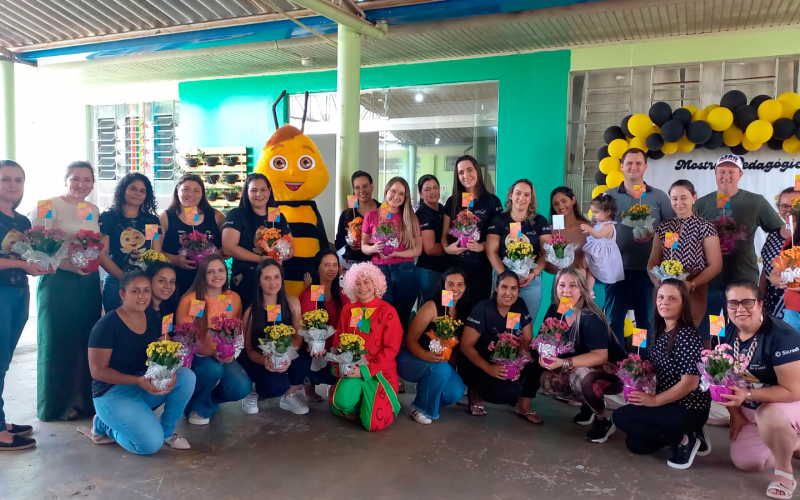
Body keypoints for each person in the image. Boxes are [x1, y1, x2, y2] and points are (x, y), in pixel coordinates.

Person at [81, 268, 194, 454]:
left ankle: (167, 433)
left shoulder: (153, 316)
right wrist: (137, 381)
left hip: (143, 383)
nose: (142, 296)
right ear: (122, 294)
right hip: (112, 392)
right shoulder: (106, 326)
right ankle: (106, 426)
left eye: (146, 290)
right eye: (135, 291)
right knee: (149, 445)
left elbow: (162, 349)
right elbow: (98, 371)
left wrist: (170, 371)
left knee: (186, 376)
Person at [29, 161, 102, 421]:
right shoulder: (46, 205)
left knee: (87, 341)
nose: (81, 185)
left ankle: (83, 402)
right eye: (75, 179)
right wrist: (70, 266)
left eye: (87, 180)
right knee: (57, 341)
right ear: (65, 180)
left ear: (93, 183)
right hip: (57, 281)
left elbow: (94, 247)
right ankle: (56, 405)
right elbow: (37, 249)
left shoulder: (91, 209)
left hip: (88, 283)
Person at [612, 279, 711, 470]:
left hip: (688, 408)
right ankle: (687, 433)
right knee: (636, 444)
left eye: (672, 298)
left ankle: (684, 439)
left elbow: (690, 383)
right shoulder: (661, 330)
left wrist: (654, 401)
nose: (664, 302)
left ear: (683, 303)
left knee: (621, 417)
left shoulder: (686, 336)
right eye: (661, 297)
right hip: (668, 403)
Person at [718, 280, 800, 500]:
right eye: (733, 303)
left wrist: (748, 395)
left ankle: (784, 473)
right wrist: (735, 414)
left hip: (788, 400)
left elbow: (794, 390)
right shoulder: (728, 331)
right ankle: (790, 441)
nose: (740, 309)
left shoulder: (781, 335)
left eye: (747, 302)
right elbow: (725, 380)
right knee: (748, 462)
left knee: (768, 415)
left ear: (761, 305)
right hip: (753, 403)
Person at [694, 154, 783, 339]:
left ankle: (739, 363)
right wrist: (709, 248)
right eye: (722, 171)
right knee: (711, 325)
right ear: (715, 174)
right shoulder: (701, 204)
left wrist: (776, 263)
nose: (726, 176)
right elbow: (689, 239)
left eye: (731, 172)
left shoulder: (755, 201)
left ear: (740, 175)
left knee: (741, 324)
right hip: (710, 279)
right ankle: (712, 361)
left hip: (743, 276)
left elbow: (779, 232)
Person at [535, 268, 627, 443]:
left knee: (582, 376)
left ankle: (603, 419)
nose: (566, 290)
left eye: (573, 285)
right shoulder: (556, 310)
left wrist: (564, 363)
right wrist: (544, 353)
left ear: (582, 289)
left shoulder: (590, 316)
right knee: (548, 379)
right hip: (580, 367)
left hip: (612, 372)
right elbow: (543, 338)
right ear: (555, 288)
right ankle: (589, 405)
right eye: (562, 285)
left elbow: (600, 356)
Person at [0, 160, 48, 451]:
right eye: (6, 179)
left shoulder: (22, 221)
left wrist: (44, 263)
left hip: (19, 293)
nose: (12, 185)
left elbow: (31, 255)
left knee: (4, 361)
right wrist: (21, 264)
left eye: (18, 179)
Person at [606, 148, 675, 345]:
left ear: (646, 166)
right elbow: (598, 229)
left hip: (650, 272)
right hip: (616, 270)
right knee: (614, 321)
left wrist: (656, 236)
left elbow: (674, 234)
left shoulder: (659, 197)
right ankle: (617, 366)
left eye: (638, 163)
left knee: (645, 323)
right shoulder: (609, 196)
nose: (633, 167)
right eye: (629, 163)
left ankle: (642, 365)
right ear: (621, 166)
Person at [175, 254, 251, 426]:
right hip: (198, 356)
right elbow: (186, 339)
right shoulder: (192, 300)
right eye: (210, 271)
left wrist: (232, 351)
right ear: (202, 274)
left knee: (241, 387)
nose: (217, 275)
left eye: (220, 270)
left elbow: (236, 331)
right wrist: (211, 352)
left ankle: (204, 400)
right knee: (212, 370)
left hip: (223, 356)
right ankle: (197, 407)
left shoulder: (233, 298)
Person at [459, 271, 540, 424]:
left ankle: (523, 405)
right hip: (481, 364)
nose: (508, 293)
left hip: (508, 362)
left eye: (513, 288)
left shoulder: (519, 305)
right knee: (500, 394)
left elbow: (527, 339)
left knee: (538, 355)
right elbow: (466, 346)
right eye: (504, 287)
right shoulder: (482, 308)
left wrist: (518, 366)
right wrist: (489, 368)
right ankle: (476, 394)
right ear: (496, 287)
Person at [329, 262, 402, 431]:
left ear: (375, 283)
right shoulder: (348, 309)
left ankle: (370, 403)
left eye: (366, 282)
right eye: (357, 283)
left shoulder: (388, 311)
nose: (362, 287)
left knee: (372, 424)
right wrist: (339, 367)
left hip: (380, 373)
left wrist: (366, 370)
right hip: (353, 369)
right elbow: (338, 340)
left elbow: (391, 350)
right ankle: (357, 404)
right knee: (341, 402)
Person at [238, 259, 312, 416]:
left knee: (305, 358)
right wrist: (265, 361)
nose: (273, 282)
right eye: (267, 278)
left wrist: (288, 356)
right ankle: (253, 391)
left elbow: (298, 337)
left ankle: (289, 395)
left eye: (276, 277)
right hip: (258, 358)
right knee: (275, 386)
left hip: (285, 353)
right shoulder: (251, 311)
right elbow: (249, 349)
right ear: (259, 282)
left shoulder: (292, 302)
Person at [648, 180, 722, 333]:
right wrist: (659, 284)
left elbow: (716, 265)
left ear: (694, 197)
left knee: (692, 333)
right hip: (666, 290)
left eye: (684, 198)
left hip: (694, 289)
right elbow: (652, 263)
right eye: (674, 199)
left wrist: (692, 284)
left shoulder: (705, 227)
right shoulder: (664, 227)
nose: (679, 202)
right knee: (665, 332)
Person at [397, 269, 468, 424]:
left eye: (459, 285)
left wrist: (448, 373)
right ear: (443, 286)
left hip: (437, 363)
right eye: (450, 284)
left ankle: (426, 391)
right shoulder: (431, 306)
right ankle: (420, 408)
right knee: (440, 368)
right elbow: (411, 339)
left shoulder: (462, 311)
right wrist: (425, 355)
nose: (455, 289)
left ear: (465, 287)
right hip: (410, 358)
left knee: (456, 391)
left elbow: (454, 351)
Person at [222, 173, 295, 310]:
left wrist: (280, 256)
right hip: (245, 279)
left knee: (273, 319)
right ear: (246, 193)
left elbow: (291, 249)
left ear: (269, 191)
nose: (259, 194)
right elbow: (228, 247)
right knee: (245, 317)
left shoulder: (277, 215)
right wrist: (259, 259)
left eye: (263, 190)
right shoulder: (237, 214)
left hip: (273, 281)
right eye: (253, 190)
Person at [361, 176, 421, 332]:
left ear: (405, 197)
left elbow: (417, 250)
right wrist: (374, 248)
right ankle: (381, 350)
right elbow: (363, 246)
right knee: (381, 314)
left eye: (401, 194)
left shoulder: (411, 218)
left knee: (402, 316)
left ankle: (398, 349)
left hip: (405, 271)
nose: (396, 197)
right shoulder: (372, 215)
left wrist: (395, 252)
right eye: (393, 191)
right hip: (379, 271)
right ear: (386, 191)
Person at [442, 155, 502, 307]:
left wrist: (482, 246)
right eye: (461, 172)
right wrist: (448, 249)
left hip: (480, 268)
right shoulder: (452, 201)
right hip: (453, 267)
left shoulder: (492, 201)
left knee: (477, 309)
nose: (465, 175)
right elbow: (444, 236)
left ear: (477, 171)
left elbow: (499, 237)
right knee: (449, 309)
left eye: (469, 170)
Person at [486, 179, 551, 320]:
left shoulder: (540, 221)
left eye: (526, 195)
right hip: (503, 280)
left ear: (531, 200)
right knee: (500, 323)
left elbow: (546, 254)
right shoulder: (499, 219)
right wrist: (505, 278)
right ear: (511, 195)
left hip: (530, 282)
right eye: (518, 193)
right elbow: (492, 252)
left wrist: (532, 274)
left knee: (524, 325)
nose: (522, 198)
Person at [98, 173, 160, 312]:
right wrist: (125, 278)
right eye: (133, 188)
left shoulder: (151, 221)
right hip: (115, 280)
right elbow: (102, 255)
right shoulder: (108, 218)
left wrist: (142, 280)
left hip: (144, 280)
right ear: (123, 190)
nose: (137, 193)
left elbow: (155, 252)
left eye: (142, 191)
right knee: (114, 325)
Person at [158, 174, 225, 299]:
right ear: (177, 191)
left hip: (208, 281)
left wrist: (212, 256)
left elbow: (228, 249)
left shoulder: (216, 216)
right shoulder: (165, 217)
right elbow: (156, 251)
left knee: (204, 314)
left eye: (196, 191)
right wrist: (175, 259)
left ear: (202, 194)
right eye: (186, 189)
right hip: (175, 281)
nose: (191, 194)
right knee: (178, 313)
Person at [299, 249, 344, 401]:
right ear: (318, 268)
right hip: (317, 351)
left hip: (335, 348)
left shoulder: (340, 292)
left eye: (334, 265)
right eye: (326, 265)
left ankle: (333, 384)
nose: (331, 269)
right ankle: (309, 383)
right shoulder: (315, 291)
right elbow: (308, 321)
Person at [761, 187, 797, 320]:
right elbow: (766, 268)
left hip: (795, 303)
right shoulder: (773, 235)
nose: (789, 210)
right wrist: (760, 294)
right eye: (784, 206)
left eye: (794, 205)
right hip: (773, 299)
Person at [549, 186, 592, 286]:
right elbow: (546, 265)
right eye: (556, 204)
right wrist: (557, 262)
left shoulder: (589, 228)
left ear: (573, 200)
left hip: (584, 285)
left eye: (564, 201)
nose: (560, 206)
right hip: (561, 286)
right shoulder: (550, 230)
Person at [334, 171, 379, 269]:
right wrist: (350, 245)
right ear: (354, 190)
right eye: (357, 187)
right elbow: (339, 241)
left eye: (365, 186)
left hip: (378, 263)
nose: (362, 190)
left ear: (372, 186)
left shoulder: (383, 210)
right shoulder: (347, 214)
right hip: (352, 265)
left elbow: (391, 235)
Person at [415, 174, 447, 304]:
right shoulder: (423, 213)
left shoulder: (442, 209)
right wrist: (454, 248)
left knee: (445, 305)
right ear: (421, 194)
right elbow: (430, 248)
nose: (432, 192)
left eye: (435, 188)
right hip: (429, 271)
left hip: (445, 268)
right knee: (431, 306)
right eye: (427, 189)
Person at [580, 193, 624, 285]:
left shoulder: (608, 226)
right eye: (593, 212)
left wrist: (590, 230)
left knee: (590, 271)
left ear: (608, 212)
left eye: (596, 212)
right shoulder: (599, 224)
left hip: (603, 255)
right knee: (587, 270)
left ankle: (588, 291)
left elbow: (598, 235)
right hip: (595, 252)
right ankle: (586, 289)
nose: (594, 215)